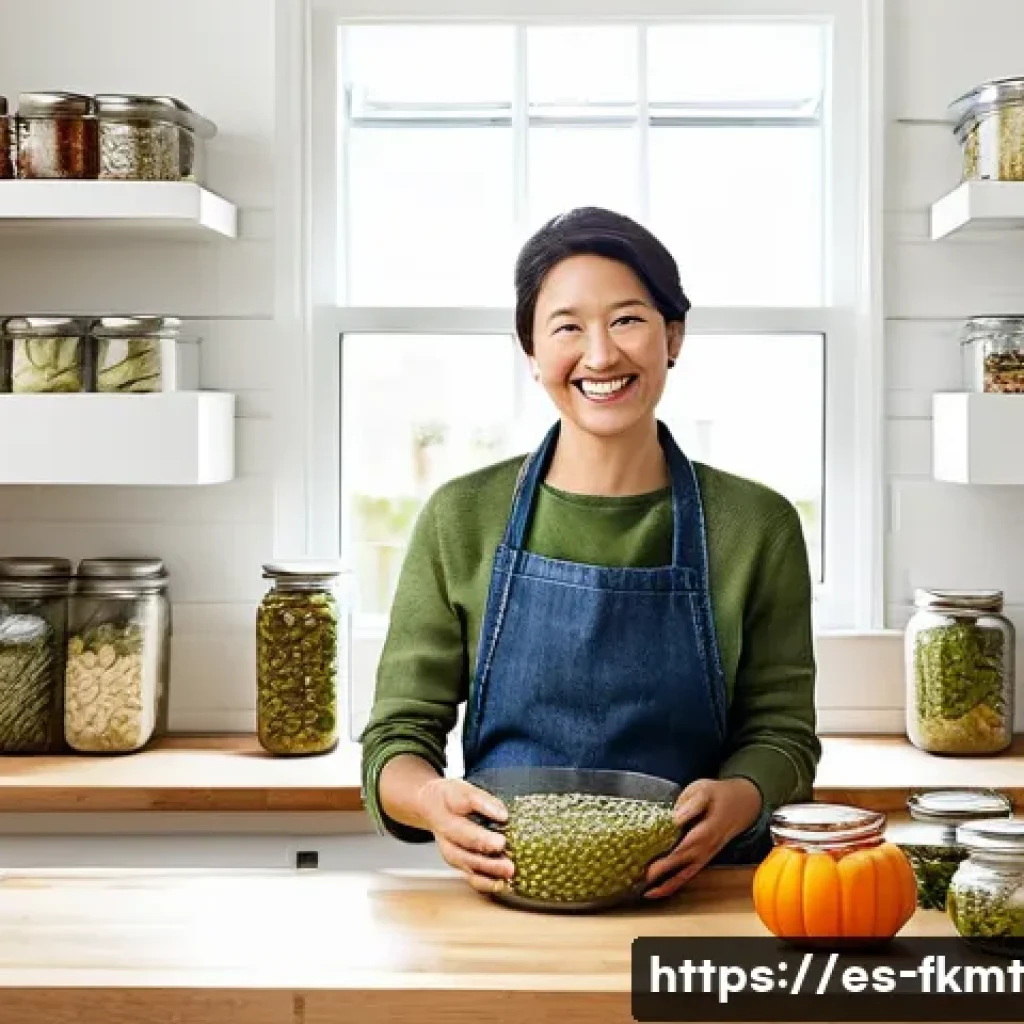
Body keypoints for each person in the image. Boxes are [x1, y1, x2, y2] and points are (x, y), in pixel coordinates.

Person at [359, 206, 820, 900]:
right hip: (506, 905)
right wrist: (432, 804)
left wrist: (739, 800)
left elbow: (784, 734)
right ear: (532, 351)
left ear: (674, 335)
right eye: (567, 327)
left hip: (699, 902)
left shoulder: (756, 525)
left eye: (628, 320)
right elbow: (396, 740)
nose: (600, 356)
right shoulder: (460, 517)